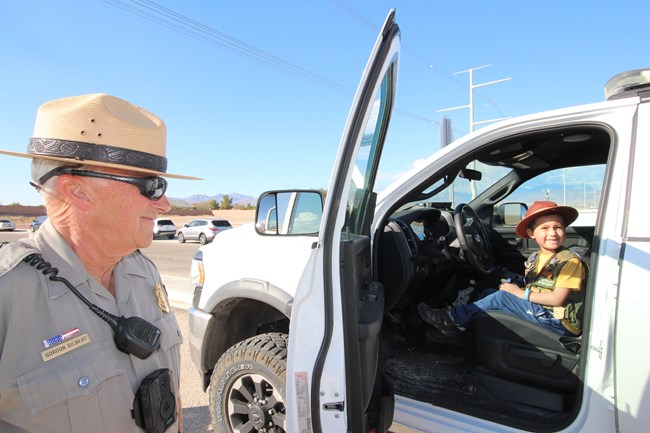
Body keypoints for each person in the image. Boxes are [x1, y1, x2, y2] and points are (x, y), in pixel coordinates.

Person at [0, 93, 198, 432]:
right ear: (78, 192)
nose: (164, 205)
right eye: (152, 186)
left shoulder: (143, 272)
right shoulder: (9, 294)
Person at [418, 201, 586, 338]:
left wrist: (520, 294)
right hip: (543, 310)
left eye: (558, 227)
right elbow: (535, 286)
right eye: (545, 228)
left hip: (558, 321)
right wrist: (516, 288)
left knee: (500, 298)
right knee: (489, 293)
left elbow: (557, 299)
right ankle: (460, 329)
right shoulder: (536, 258)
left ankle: (451, 319)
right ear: (531, 233)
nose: (553, 233)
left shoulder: (570, 262)